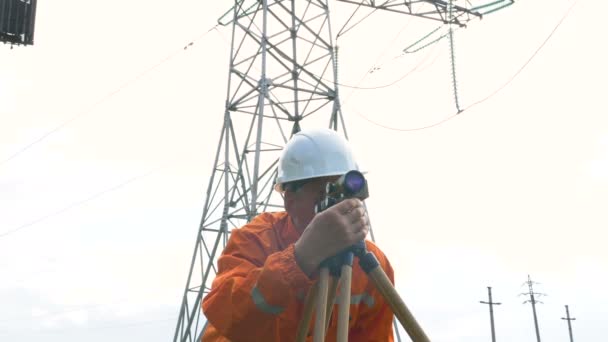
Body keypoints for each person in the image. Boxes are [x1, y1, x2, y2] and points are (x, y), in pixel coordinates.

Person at [201, 128, 395, 341]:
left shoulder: (370, 265)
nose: (337, 207)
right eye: (324, 193)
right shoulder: (256, 240)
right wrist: (301, 258)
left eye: (344, 194)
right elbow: (226, 315)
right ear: (289, 200)